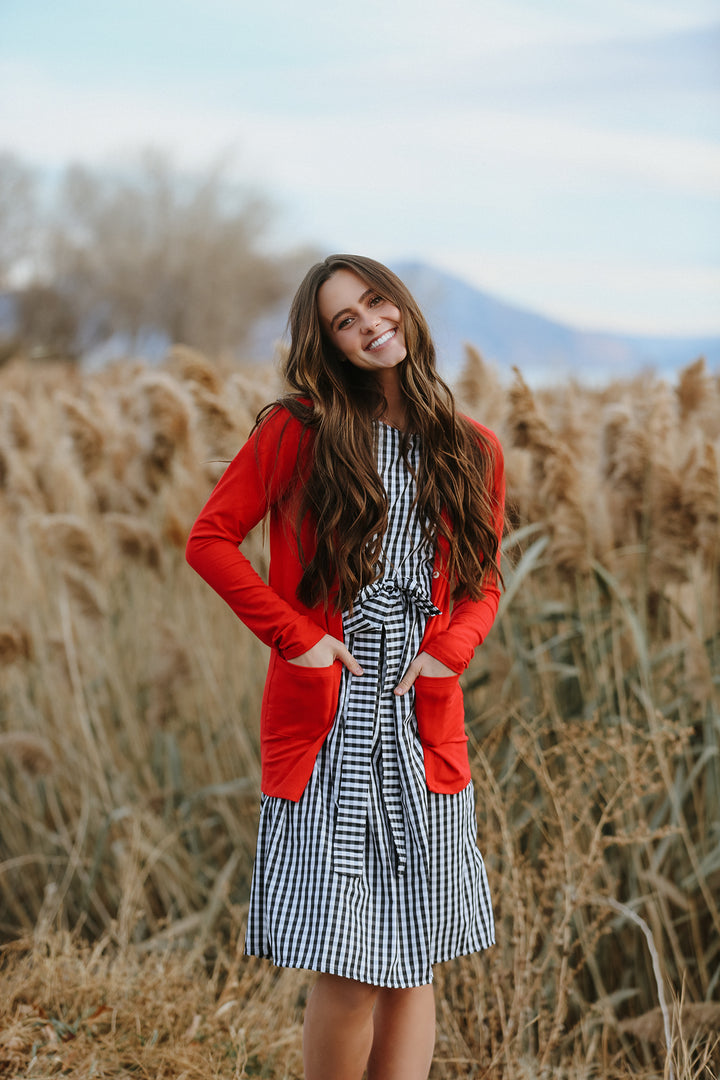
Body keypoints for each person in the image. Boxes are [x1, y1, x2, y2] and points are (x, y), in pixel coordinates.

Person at [186, 254, 505, 1080]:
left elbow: (483, 582)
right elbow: (210, 541)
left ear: (401, 304)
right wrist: (297, 637)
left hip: (425, 722)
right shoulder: (300, 429)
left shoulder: (472, 446)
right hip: (330, 720)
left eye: (376, 303)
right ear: (326, 343)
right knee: (354, 966)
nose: (370, 326)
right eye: (344, 321)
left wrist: (446, 654)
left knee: (413, 962)